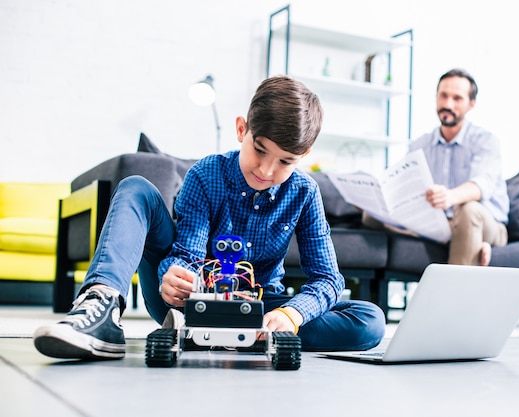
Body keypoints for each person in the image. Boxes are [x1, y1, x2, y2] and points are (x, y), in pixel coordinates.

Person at [34, 75, 386, 360]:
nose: (266, 170)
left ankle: (252, 336)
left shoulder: (305, 192)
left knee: (370, 321)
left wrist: (290, 316)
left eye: (285, 161)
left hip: (262, 308)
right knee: (137, 188)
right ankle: (101, 306)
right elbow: (185, 254)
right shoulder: (206, 174)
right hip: (191, 306)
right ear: (241, 130)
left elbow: (327, 279)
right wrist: (172, 275)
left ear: (304, 155)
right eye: (259, 150)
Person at [365, 68, 509, 266]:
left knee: (468, 210)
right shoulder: (419, 145)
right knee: (369, 216)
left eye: (457, 98)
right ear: (436, 97)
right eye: (443, 96)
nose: (448, 104)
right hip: (439, 224)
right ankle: (473, 245)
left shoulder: (486, 141)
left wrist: (450, 196)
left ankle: (455, 291)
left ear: (471, 104)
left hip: (487, 223)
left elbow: (482, 184)